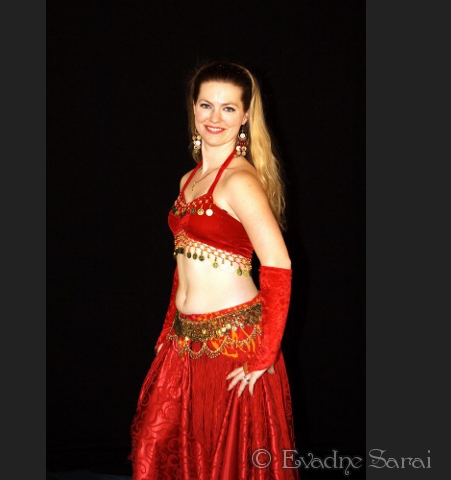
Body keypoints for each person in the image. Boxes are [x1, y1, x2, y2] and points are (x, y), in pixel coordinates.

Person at [129, 62, 298, 479]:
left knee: (226, 463)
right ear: (193, 108)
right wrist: (168, 327)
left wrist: (265, 355)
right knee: (159, 451)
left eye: (228, 108)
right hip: (184, 342)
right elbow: (183, 263)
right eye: (206, 105)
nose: (214, 117)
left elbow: (279, 264)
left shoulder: (239, 181)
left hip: (234, 346)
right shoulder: (189, 179)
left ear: (245, 116)